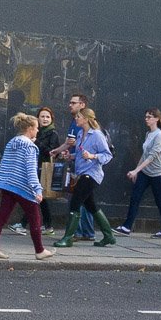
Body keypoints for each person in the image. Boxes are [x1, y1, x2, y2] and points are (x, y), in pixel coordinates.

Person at [0, 112, 55, 260]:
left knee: (2, 217)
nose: (37, 130)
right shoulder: (30, 147)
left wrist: (0, 182)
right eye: (36, 127)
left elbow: (5, 163)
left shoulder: (13, 142)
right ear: (30, 128)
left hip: (7, 185)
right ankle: (40, 250)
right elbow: (31, 170)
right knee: (35, 218)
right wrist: (37, 189)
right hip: (22, 187)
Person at [53, 107, 115, 248]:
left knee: (75, 203)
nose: (76, 118)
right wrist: (71, 156)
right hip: (82, 173)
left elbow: (107, 155)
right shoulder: (81, 133)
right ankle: (108, 236)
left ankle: (67, 238)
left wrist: (93, 156)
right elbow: (81, 154)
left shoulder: (97, 135)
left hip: (91, 174)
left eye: (79, 117)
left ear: (86, 119)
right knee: (91, 205)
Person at [116, 108, 161, 238]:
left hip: (158, 173)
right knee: (135, 197)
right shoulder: (148, 134)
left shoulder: (159, 135)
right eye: (146, 117)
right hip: (145, 172)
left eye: (150, 117)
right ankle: (127, 226)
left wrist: (136, 170)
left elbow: (152, 156)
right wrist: (137, 170)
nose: (147, 119)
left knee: (160, 201)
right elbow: (145, 155)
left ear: (157, 119)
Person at [51, 93, 96, 240]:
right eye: (70, 102)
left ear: (82, 105)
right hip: (78, 164)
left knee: (77, 199)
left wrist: (71, 150)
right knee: (86, 200)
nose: (70, 105)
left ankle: (76, 232)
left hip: (86, 168)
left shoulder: (86, 126)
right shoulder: (75, 122)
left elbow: (82, 144)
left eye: (74, 103)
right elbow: (70, 142)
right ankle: (87, 232)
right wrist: (62, 151)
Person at [10, 105, 61, 236]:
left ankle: (24, 224)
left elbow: (51, 151)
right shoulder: (36, 132)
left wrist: (36, 141)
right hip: (33, 166)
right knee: (38, 198)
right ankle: (47, 225)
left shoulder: (52, 133)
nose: (45, 119)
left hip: (42, 168)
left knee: (35, 197)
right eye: (42, 116)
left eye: (47, 117)